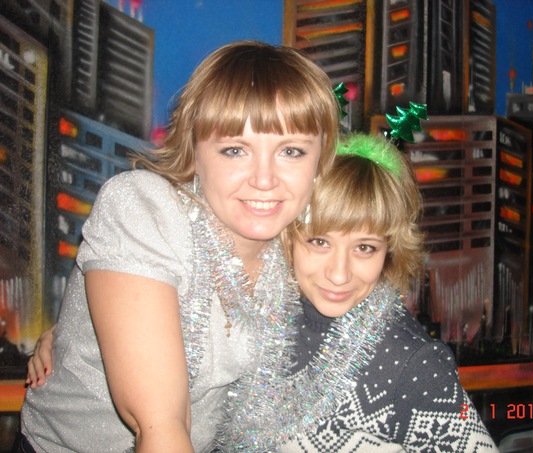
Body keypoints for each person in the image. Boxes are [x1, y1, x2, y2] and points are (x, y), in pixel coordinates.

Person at [17, 40, 340, 453]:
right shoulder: (143, 207)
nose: (264, 179)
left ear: (319, 163)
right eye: (235, 150)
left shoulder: (303, 251)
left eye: (291, 151)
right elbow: (161, 425)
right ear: (194, 151)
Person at [218, 133, 498, 451]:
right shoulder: (256, 319)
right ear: (288, 235)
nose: (339, 274)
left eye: (364, 247)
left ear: (389, 251)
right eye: (320, 242)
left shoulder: (412, 361)